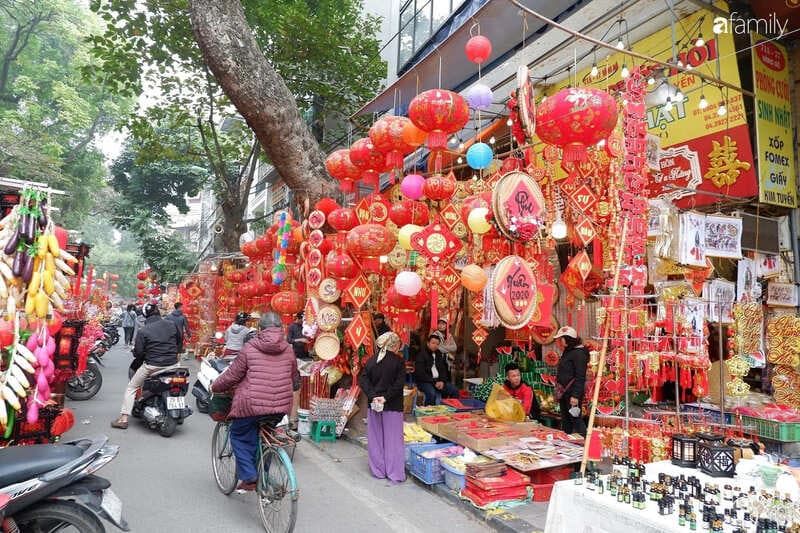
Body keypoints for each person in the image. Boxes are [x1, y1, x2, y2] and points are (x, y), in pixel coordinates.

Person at [211, 312, 296, 492]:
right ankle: (262, 477)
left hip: (252, 405)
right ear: (281, 328)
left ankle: (250, 476)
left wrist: (215, 387)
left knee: (239, 435)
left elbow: (232, 376)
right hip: (280, 407)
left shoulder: (250, 347)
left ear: (260, 329)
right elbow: (295, 380)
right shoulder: (288, 348)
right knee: (267, 439)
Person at [111, 303, 182, 429]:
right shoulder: (172, 324)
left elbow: (139, 353)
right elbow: (179, 342)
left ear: (145, 315)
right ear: (158, 312)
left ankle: (123, 419)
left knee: (131, 387)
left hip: (152, 366)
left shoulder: (143, 330)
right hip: (173, 364)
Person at [359, 332, 406, 484]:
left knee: (376, 439)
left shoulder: (372, 361)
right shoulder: (398, 362)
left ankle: (378, 471)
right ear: (395, 345)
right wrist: (385, 397)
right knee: (393, 441)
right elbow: (399, 385)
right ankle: (394, 473)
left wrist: (373, 396)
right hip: (392, 405)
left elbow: (363, 380)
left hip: (375, 405)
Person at [554, 326, 589, 436]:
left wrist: (575, 396)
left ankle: (585, 442)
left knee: (576, 420)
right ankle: (567, 444)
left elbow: (580, 376)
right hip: (564, 392)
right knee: (566, 420)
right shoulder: (568, 351)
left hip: (572, 393)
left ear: (568, 339)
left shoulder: (579, 353)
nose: (559, 341)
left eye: (561, 339)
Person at [414, 335, 459, 405]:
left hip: (438, 381)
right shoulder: (421, 355)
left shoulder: (439, 353)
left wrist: (442, 381)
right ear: (428, 343)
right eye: (433, 343)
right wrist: (434, 382)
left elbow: (443, 370)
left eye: (437, 344)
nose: (435, 345)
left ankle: (450, 410)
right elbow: (420, 374)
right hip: (425, 381)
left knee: (454, 390)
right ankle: (429, 412)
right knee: (432, 393)